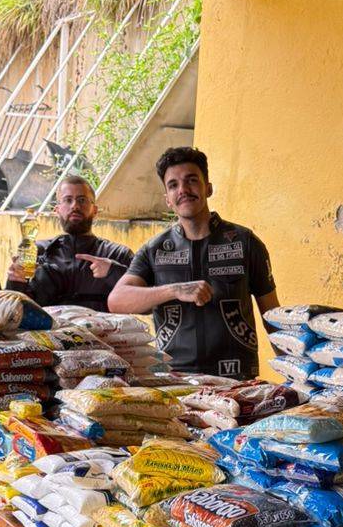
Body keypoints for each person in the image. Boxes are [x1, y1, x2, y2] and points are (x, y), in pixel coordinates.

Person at [109, 147, 278, 379]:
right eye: (173, 185)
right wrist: (175, 290)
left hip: (236, 379)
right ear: (167, 199)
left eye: (191, 180)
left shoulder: (245, 242)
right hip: (173, 379)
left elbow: (273, 317)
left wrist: (293, 377)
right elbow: (117, 300)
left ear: (208, 187)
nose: (183, 190)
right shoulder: (154, 249)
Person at [5, 174, 133, 312]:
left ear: (94, 210)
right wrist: (15, 281)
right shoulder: (36, 253)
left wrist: (113, 272)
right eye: (68, 200)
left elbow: (146, 300)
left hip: (104, 333)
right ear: (57, 210)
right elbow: (12, 309)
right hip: (47, 332)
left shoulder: (117, 254)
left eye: (82, 200)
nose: (75, 206)